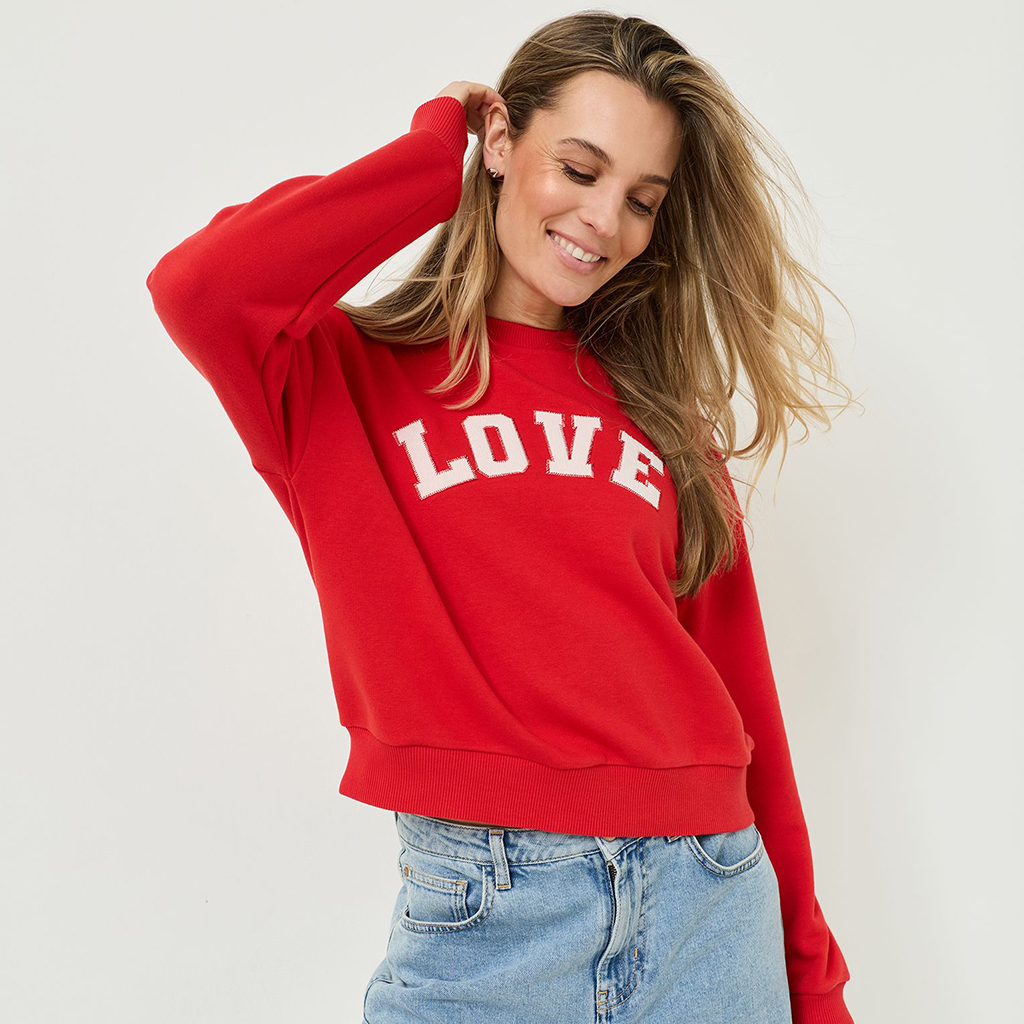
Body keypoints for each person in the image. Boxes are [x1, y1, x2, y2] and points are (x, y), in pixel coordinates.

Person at [146, 11, 858, 1024]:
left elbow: (747, 716)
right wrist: (432, 150)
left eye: (641, 199)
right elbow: (200, 286)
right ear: (503, 142)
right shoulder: (333, 380)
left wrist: (811, 981)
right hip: (485, 916)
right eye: (577, 168)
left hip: (709, 902)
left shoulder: (662, 419)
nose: (604, 221)